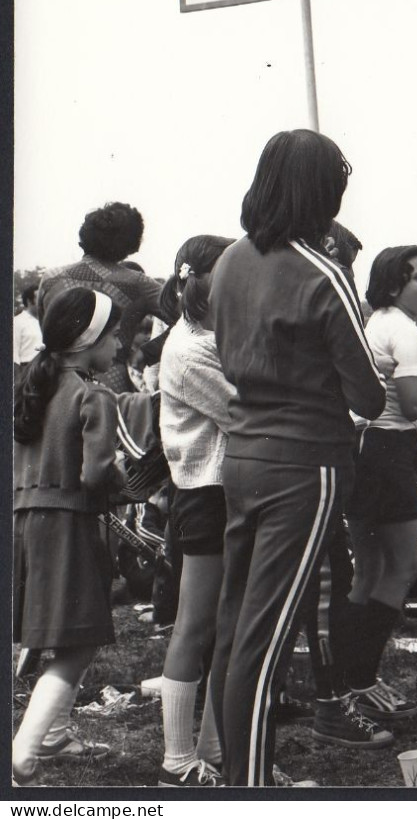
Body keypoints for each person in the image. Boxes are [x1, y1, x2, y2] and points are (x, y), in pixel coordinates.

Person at [208, 129, 387, 787]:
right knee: (269, 638)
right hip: (306, 466)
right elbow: (367, 389)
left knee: (235, 632)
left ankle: (240, 772)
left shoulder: (228, 261)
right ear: (323, 195)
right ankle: (248, 789)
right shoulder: (322, 271)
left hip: (243, 456)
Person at [342, 246, 417, 722]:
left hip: (364, 450)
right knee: (402, 568)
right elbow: (415, 407)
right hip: (389, 453)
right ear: (394, 284)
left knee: (367, 572)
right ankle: (363, 680)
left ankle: (349, 680)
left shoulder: (375, 323)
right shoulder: (408, 332)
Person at [13, 288, 124, 784]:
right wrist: (124, 477)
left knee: (54, 635)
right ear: (89, 340)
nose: (120, 344)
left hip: (24, 523)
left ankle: (54, 736)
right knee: (78, 643)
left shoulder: (30, 385)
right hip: (70, 526)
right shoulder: (93, 394)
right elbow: (97, 473)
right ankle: (24, 749)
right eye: (115, 334)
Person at [156, 235, 236, 788]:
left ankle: (214, 752)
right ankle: (177, 760)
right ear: (199, 279)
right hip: (205, 496)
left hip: (224, 494)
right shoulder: (189, 349)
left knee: (225, 627)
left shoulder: (211, 334)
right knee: (196, 627)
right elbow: (244, 411)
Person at [38, 203, 164, 393]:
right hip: (113, 385)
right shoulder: (138, 284)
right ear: (130, 242)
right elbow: (193, 318)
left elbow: (47, 334)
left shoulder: (51, 279)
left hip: (54, 384)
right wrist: (147, 353)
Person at [13, 284, 42, 384]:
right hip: (26, 374)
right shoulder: (17, 322)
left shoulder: (45, 321)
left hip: (45, 373)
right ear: (29, 301)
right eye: (39, 298)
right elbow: (13, 356)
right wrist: (18, 384)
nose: (43, 301)